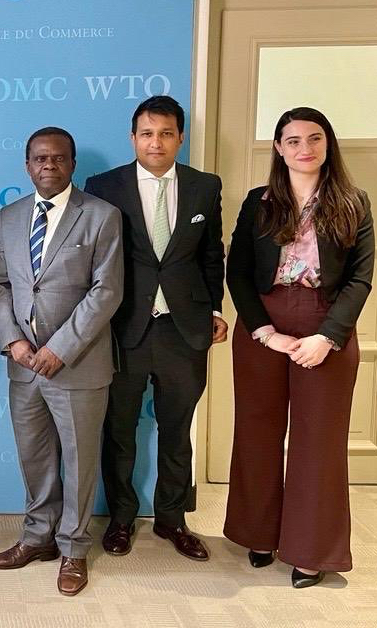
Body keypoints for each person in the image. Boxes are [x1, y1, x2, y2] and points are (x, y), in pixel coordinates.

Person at [224, 106, 373, 589]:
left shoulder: (354, 202)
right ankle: (259, 534)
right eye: (292, 140)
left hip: (324, 324)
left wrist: (328, 336)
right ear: (278, 147)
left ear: (328, 144)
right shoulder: (258, 201)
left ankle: (311, 551)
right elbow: (239, 272)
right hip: (263, 325)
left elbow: (359, 278)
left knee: (319, 443)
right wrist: (264, 332)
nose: (304, 148)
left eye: (314, 138)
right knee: (257, 431)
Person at [84, 95, 226, 561]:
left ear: (180, 137)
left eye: (166, 133)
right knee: (120, 431)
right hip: (124, 329)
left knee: (177, 430)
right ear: (133, 138)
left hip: (184, 331)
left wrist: (216, 310)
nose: (156, 142)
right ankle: (121, 519)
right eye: (147, 133)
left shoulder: (205, 187)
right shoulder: (104, 186)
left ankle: (172, 519)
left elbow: (211, 255)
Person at [0, 126, 123, 596]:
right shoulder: (8, 217)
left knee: (79, 461)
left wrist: (58, 349)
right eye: (40, 159)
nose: (49, 165)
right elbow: (0, 285)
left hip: (77, 363)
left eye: (59, 158)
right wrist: (14, 343)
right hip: (23, 365)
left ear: (72, 164)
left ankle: (73, 549)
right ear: (27, 165)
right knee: (35, 457)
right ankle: (37, 536)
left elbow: (107, 291)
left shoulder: (102, 216)